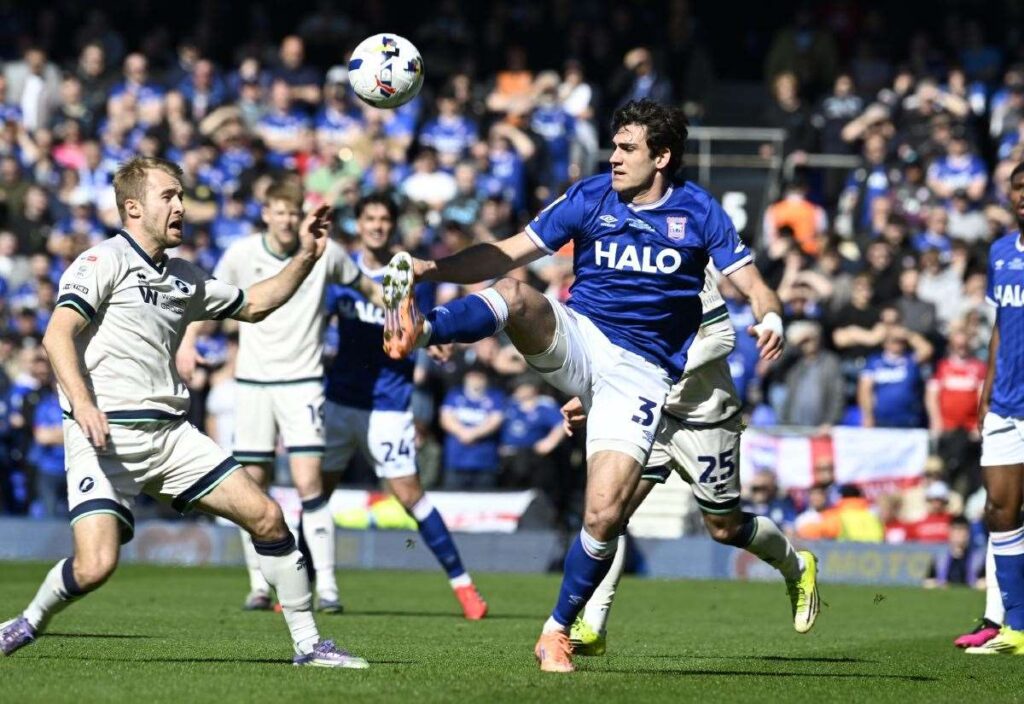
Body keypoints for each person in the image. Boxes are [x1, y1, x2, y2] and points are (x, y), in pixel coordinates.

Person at [378, 99, 784, 672]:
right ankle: (420, 330)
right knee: (514, 292)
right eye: (614, 146)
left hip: (641, 371)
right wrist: (433, 268)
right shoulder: (590, 196)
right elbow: (507, 252)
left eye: (627, 148)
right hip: (582, 336)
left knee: (603, 516)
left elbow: (754, 285)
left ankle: (556, 632)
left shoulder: (698, 211)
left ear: (661, 157)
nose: (614, 157)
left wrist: (771, 317)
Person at [0, 157, 366, 667]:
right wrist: (82, 403)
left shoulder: (184, 276)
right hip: (104, 440)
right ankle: (26, 622)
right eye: (168, 196)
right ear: (133, 208)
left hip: (172, 438)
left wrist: (306, 255)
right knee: (95, 566)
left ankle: (309, 645)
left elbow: (256, 303)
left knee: (268, 517)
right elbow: (56, 334)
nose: (180, 206)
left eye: (181, 195)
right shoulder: (101, 261)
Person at [564, 269, 818, 657]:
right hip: (652, 413)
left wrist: (664, 372)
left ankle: (796, 567)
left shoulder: (683, 264)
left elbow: (722, 337)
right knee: (609, 512)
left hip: (705, 418)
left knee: (724, 528)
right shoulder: (614, 271)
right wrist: (589, 395)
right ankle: (593, 626)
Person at [179, 180, 382, 614]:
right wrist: (189, 340)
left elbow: (367, 288)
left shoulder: (325, 252)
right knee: (252, 486)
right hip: (253, 383)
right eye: (280, 211)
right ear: (266, 213)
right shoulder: (241, 254)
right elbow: (208, 298)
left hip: (303, 381)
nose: (288, 220)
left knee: (310, 483)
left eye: (293, 212)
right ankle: (258, 584)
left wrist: (404, 313)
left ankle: (328, 586)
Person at [322, 194, 487, 619]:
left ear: (392, 226)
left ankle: (464, 587)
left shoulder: (408, 273)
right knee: (315, 493)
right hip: (340, 399)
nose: (377, 225)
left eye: (384, 219)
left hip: (389, 403)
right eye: (370, 218)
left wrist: (434, 341)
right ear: (358, 224)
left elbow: (422, 322)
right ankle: (298, 585)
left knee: (411, 495)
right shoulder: (340, 270)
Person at [967, 161, 1024, 654]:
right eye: (1018, 188)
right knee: (999, 509)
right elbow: (1001, 328)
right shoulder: (1001, 251)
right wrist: (986, 391)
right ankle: (1013, 628)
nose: (1023, 196)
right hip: (1006, 404)